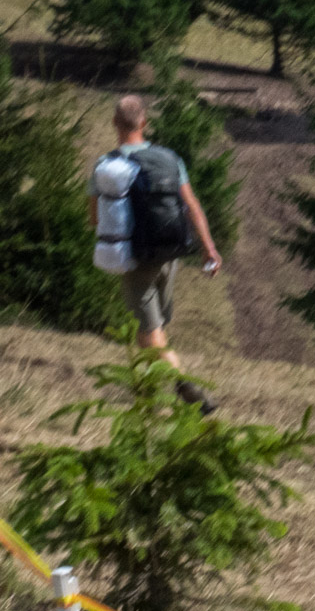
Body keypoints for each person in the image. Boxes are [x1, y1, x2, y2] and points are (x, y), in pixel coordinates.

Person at [93, 94, 223, 407]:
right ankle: (149, 392)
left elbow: (94, 217)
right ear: (144, 123)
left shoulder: (107, 166)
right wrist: (209, 249)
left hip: (136, 259)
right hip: (171, 254)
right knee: (154, 327)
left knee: (150, 331)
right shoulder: (169, 158)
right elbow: (191, 204)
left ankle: (186, 388)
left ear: (115, 124)